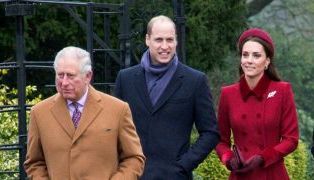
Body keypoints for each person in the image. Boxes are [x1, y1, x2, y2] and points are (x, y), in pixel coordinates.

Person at [114, 15, 219, 180]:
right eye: (159, 40)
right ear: (147, 40)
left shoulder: (195, 81)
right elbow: (113, 129)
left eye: (170, 40)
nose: (165, 46)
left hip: (175, 176)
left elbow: (210, 133)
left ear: (176, 41)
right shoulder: (125, 79)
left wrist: (184, 165)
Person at [24, 46, 145, 179]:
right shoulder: (40, 113)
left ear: (88, 76)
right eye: (60, 75)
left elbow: (134, 158)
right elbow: (34, 163)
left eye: (70, 76)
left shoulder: (118, 109)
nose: (64, 82)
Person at [215, 28, 299, 179]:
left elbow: (291, 139)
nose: (249, 60)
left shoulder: (282, 91)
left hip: (272, 174)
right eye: (245, 55)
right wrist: (228, 158)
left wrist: (264, 157)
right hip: (241, 175)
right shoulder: (228, 94)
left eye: (256, 55)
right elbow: (221, 141)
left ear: (267, 61)